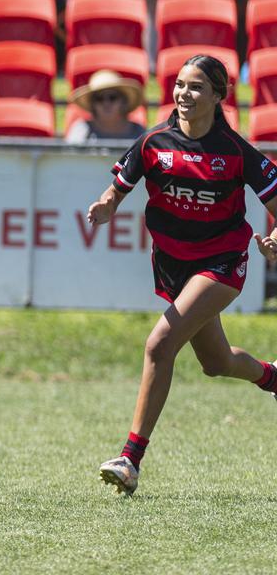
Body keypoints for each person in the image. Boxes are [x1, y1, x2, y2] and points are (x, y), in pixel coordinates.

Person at [87, 54, 277, 496]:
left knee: (159, 344)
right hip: (174, 265)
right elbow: (118, 188)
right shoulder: (154, 141)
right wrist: (106, 205)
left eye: (195, 87)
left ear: (217, 95)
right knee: (217, 363)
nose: (183, 94)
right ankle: (272, 377)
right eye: (179, 84)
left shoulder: (235, 152)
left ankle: (130, 459)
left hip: (223, 261)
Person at [65, 69, 146, 143]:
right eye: (99, 99)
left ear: (123, 102)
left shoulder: (139, 132)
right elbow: (69, 157)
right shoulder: (82, 129)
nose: (106, 103)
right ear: (93, 105)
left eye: (112, 98)